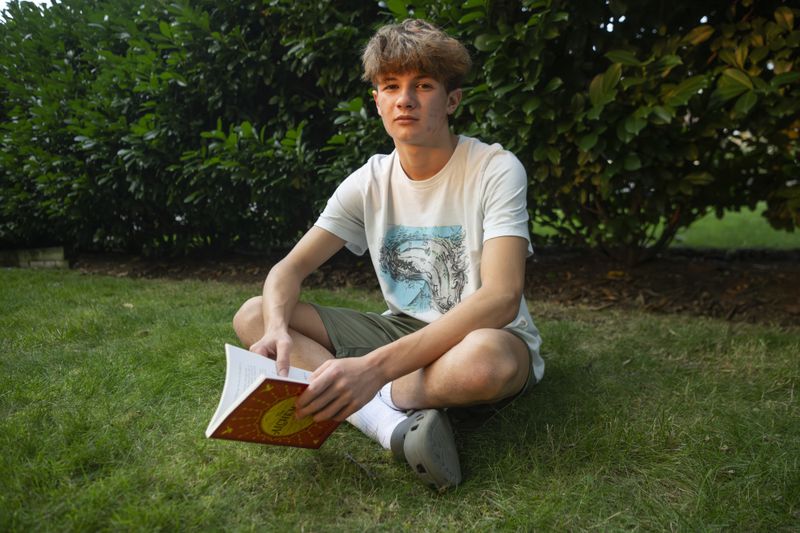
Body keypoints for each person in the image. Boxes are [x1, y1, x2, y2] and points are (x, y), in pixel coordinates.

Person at [232, 18, 544, 490]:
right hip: (399, 328)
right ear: (376, 101)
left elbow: (502, 297)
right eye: (391, 85)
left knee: (487, 363)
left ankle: (374, 398)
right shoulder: (368, 181)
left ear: (452, 99)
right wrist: (277, 330)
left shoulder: (495, 169)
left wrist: (373, 368)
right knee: (256, 314)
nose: (406, 99)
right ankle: (387, 422)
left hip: (480, 333)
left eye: (422, 85)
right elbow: (288, 269)